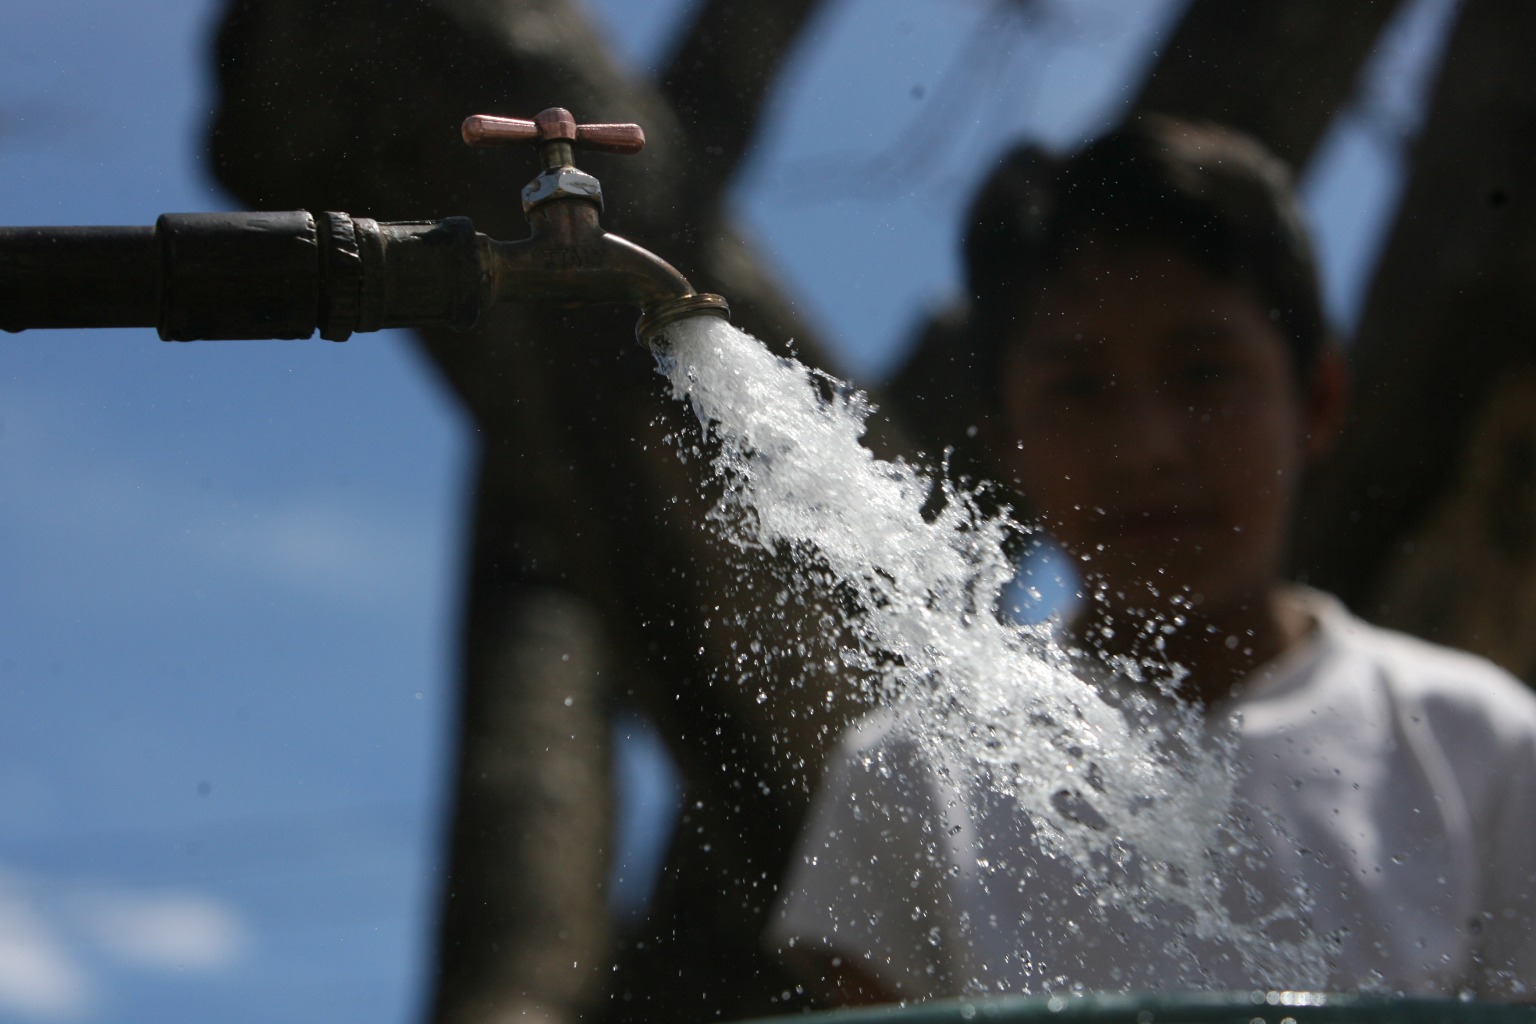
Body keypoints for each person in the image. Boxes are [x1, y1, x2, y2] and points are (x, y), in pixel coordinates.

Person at [766, 117, 1536, 1004]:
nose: (1149, 448)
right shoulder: (915, 772)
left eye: (1204, 374)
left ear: (1316, 400)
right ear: (1006, 442)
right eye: (1079, 389)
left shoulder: (1481, 746)